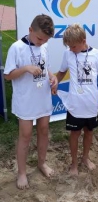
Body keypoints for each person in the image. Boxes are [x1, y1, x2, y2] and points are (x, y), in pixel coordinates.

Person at [4, 14, 57, 189]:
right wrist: (25, 68)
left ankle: (41, 163)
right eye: (40, 38)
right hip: (25, 100)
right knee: (25, 136)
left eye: (45, 40)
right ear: (30, 30)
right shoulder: (16, 48)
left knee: (43, 131)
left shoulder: (44, 46)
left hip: (43, 97)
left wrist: (52, 77)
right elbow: (7, 75)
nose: (42, 42)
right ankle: (21, 173)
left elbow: (46, 67)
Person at [51, 24, 98, 176]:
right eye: (68, 46)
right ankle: (74, 162)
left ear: (83, 40)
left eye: (73, 46)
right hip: (75, 103)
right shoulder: (68, 54)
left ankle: (85, 158)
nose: (71, 49)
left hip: (91, 102)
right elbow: (61, 72)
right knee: (74, 133)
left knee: (89, 131)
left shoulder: (97, 54)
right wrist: (55, 83)